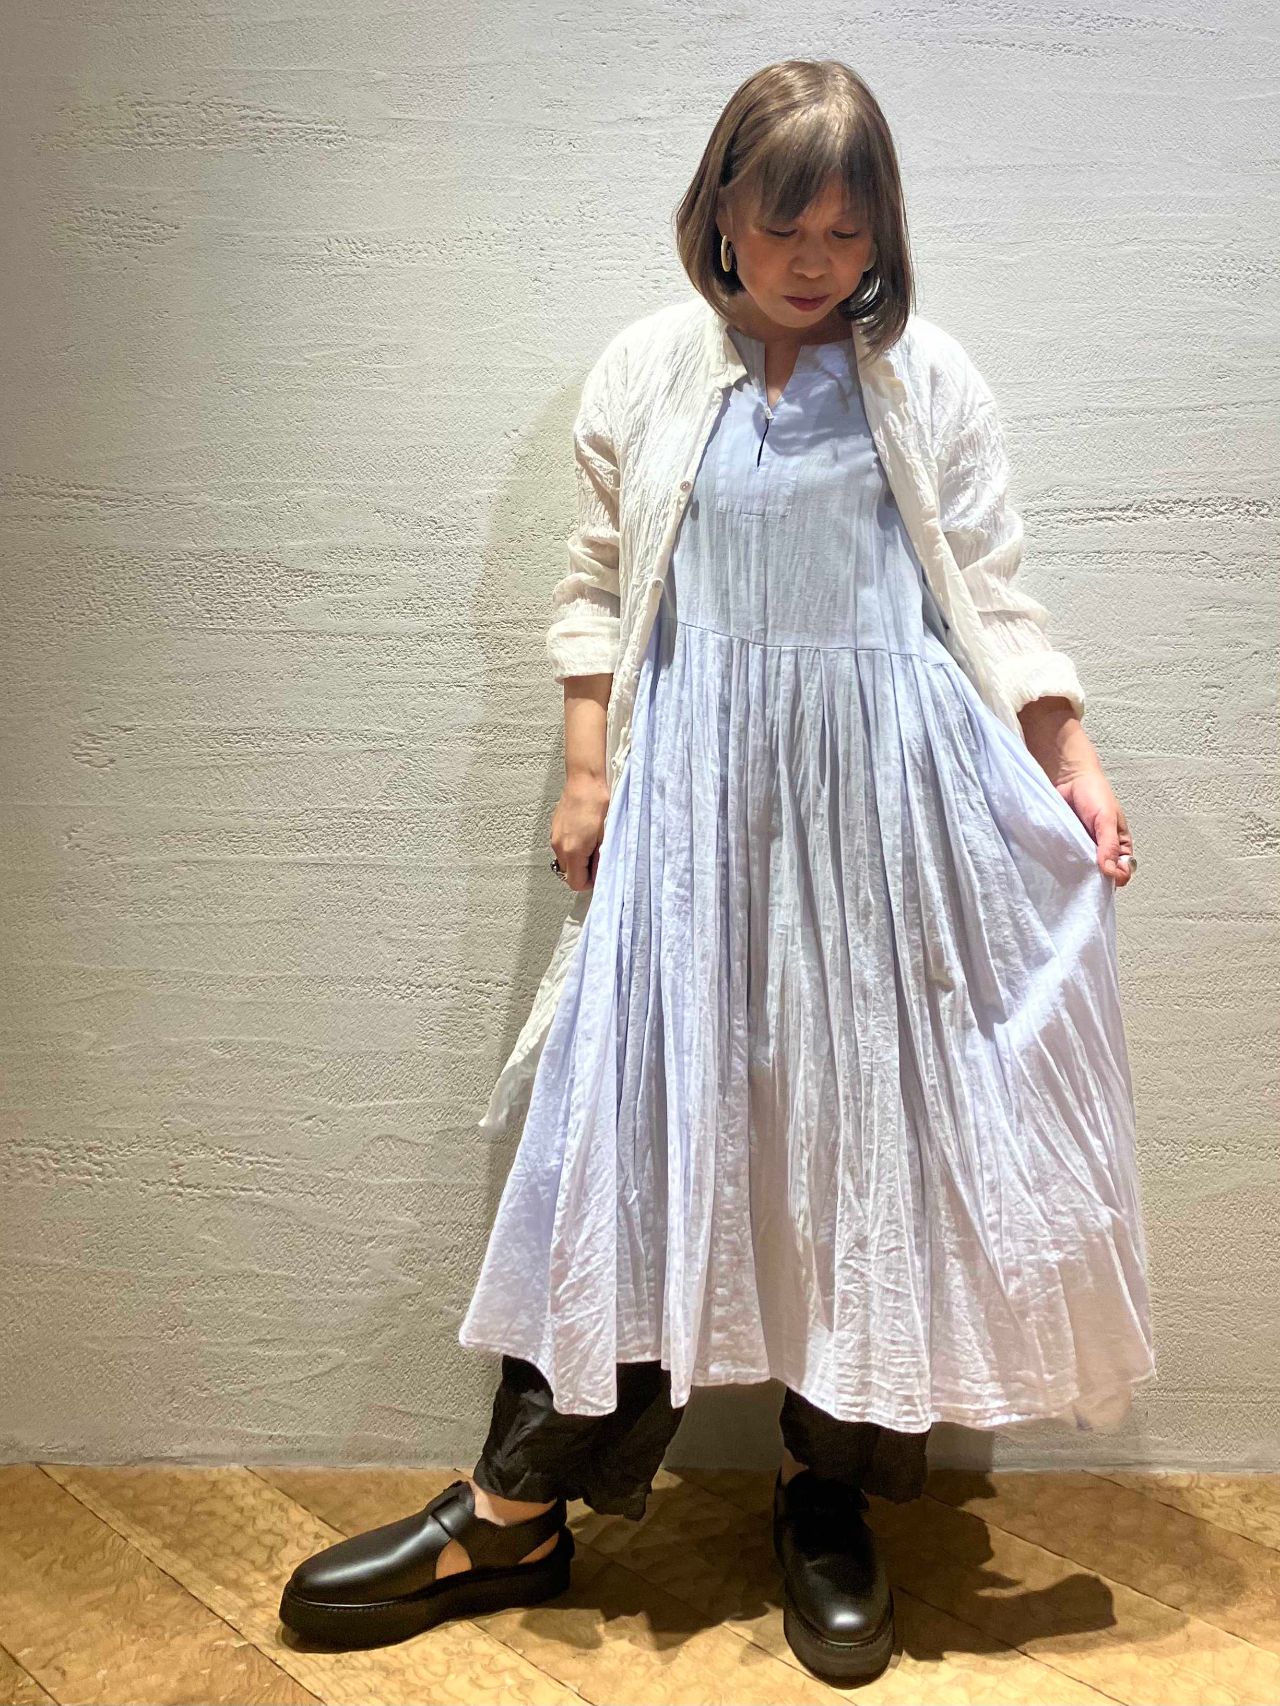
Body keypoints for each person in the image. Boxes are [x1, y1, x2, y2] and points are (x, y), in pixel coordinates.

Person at [279, 58, 1155, 1684]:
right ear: (722, 214)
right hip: (690, 810)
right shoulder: (649, 370)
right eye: (785, 224)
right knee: (630, 1131)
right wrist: (590, 768)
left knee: (860, 1146)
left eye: (848, 229)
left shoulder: (927, 382)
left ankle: (830, 1498)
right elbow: (598, 580)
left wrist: (1071, 759)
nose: (816, 260)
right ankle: (515, 1505)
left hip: (882, 819)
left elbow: (992, 595)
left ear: (884, 232)